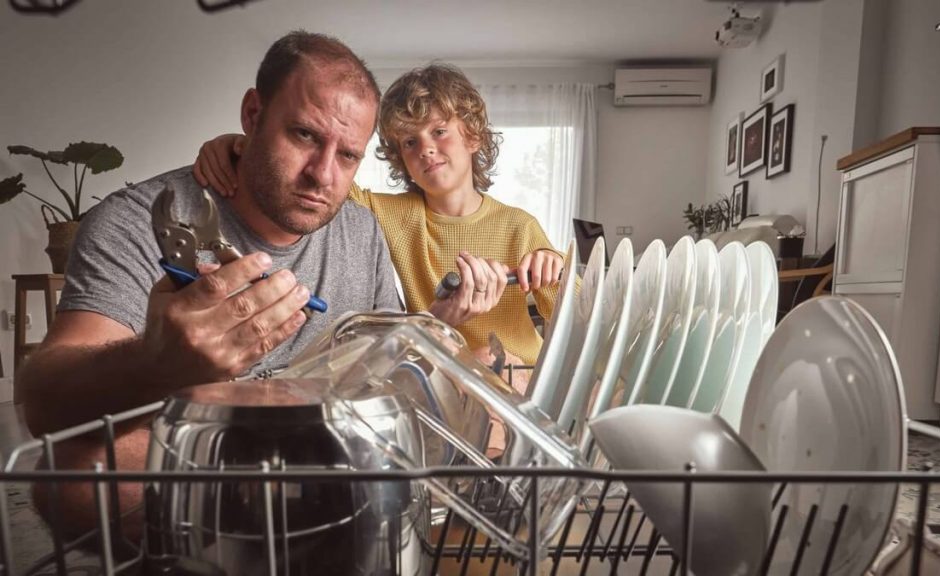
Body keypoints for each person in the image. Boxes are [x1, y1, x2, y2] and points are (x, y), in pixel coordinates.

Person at [18, 30, 400, 538]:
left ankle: (263, 536)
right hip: (196, 454)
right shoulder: (131, 221)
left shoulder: (362, 230)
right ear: (252, 115)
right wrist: (155, 362)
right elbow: (44, 400)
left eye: (348, 155)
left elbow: (388, 361)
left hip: (318, 452)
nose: (322, 175)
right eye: (305, 135)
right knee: (69, 475)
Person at [194, 64, 565, 371]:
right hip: (442, 375)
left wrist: (554, 270)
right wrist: (241, 142)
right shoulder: (388, 214)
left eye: (439, 131)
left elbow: (578, 311)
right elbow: (324, 182)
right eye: (409, 142)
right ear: (398, 157)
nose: (426, 148)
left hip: (518, 373)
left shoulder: (519, 226)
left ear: (473, 137)